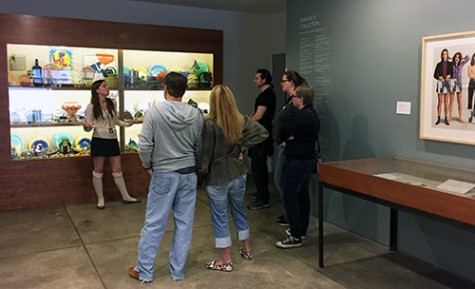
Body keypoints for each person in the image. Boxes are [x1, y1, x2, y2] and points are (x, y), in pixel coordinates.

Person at [128, 72, 203, 283]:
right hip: (188, 174)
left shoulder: (155, 112)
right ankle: (178, 271)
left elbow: (145, 144)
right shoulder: (195, 114)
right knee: (184, 223)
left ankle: (144, 271)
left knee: (154, 223)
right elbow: (199, 145)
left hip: (164, 173)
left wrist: (147, 165)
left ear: (165, 89)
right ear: (184, 91)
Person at [198, 84, 268, 272]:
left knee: (220, 216)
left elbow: (205, 156)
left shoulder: (209, 124)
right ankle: (246, 249)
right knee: (239, 210)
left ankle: (226, 260)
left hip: (218, 176)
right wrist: (241, 148)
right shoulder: (241, 120)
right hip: (239, 172)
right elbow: (262, 132)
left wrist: (199, 177)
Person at [83, 79, 139, 209]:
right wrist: (86, 126)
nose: (107, 87)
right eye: (104, 86)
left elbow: (115, 120)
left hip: (112, 138)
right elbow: (89, 125)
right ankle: (100, 199)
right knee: (98, 170)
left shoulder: (112, 102)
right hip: (99, 139)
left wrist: (127, 123)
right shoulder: (91, 106)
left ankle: (125, 196)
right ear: (97, 90)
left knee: (117, 169)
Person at [275, 84, 319, 249]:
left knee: (290, 195)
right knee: (302, 195)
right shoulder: (310, 114)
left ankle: (295, 235)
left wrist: (289, 136)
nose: (291, 99)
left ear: (300, 99)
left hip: (298, 161)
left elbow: (282, 130)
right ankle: (301, 230)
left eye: (294, 97)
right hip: (306, 160)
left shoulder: (303, 116)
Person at [273, 71, 307, 226]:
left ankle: (292, 216)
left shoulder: (297, 102)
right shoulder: (290, 101)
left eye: (283, 80)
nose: (281, 83)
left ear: (291, 83)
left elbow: (300, 123)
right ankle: (290, 215)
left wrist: (288, 139)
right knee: (282, 181)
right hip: (285, 148)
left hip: (290, 150)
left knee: (282, 181)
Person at [248, 69, 276, 210]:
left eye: (257, 78)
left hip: (261, 136)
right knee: (258, 166)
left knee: (258, 166)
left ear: (264, 80)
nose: (255, 80)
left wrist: (247, 126)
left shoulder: (267, 95)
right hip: (261, 134)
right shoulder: (265, 94)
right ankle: (261, 192)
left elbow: (258, 116)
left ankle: (263, 197)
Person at [433, 48, 453, 126]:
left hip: (447, 83)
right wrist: (439, 77)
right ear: (441, 55)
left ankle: (445, 118)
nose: (444, 55)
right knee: (440, 102)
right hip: (440, 83)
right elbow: (434, 75)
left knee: (446, 102)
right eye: (443, 54)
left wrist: (449, 75)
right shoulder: (438, 64)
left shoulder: (450, 64)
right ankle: (438, 118)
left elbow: (452, 73)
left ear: (447, 55)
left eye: (446, 54)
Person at [450, 52, 469, 122]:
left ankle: (460, 117)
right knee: (451, 101)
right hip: (452, 82)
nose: (457, 58)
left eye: (458, 57)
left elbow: (468, 58)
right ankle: (450, 117)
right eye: (456, 57)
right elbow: (448, 59)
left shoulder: (461, 64)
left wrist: (463, 58)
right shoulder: (451, 64)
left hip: (459, 83)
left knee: (459, 101)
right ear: (454, 58)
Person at [467, 53, 475, 123]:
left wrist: (473, 75)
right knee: (470, 99)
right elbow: (469, 75)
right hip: (471, 83)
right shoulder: (470, 66)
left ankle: (474, 115)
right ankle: (469, 116)